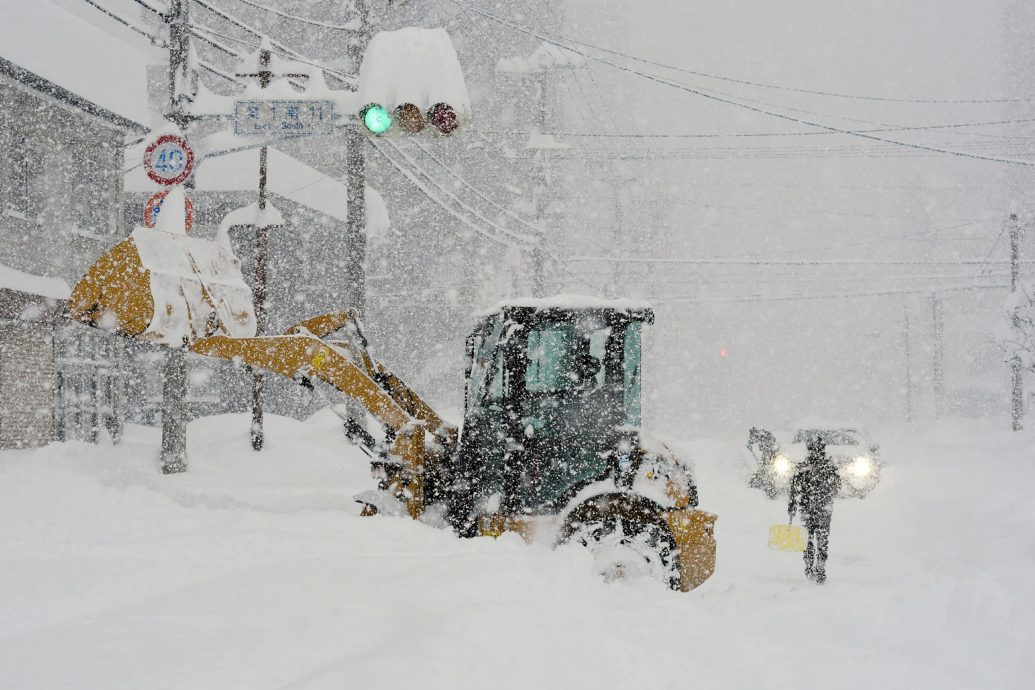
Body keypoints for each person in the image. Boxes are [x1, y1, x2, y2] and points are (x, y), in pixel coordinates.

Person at [788, 435, 842, 583]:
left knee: (808, 540)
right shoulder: (829, 466)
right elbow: (837, 486)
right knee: (822, 540)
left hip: (808, 509)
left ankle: (809, 567)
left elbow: (794, 489)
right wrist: (825, 493)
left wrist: (792, 505)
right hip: (824, 508)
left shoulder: (804, 467)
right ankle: (820, 567)